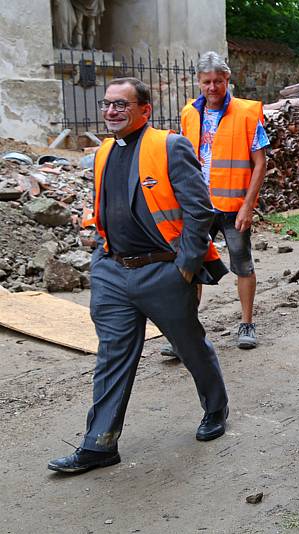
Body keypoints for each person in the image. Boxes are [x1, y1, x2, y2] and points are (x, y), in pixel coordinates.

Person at [48, 78, 230, 474]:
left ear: (144, 110)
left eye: (121, 105)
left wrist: (184, 266)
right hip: (114, 271)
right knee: (112, 358)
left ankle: (215, 407)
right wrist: (100, 254)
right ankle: (99, 445)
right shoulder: (102, 154)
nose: (111, 111)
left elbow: (200, 211)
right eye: (107, 104)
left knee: (189, 346)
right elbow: (103, 206)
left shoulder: (168, 146)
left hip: (162, 271)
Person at [173, 51, 268, 352]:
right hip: (199, 207)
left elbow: (260, 162)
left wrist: (248, 206)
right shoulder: (189, 113)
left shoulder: (247, 114)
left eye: (218, 81)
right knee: (191, 266)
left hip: (233, 208)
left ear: (228, 80)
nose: (212, 87)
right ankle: (187, 332)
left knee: (242, 264)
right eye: (206, 82)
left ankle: (247, 323)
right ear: (198, 83)